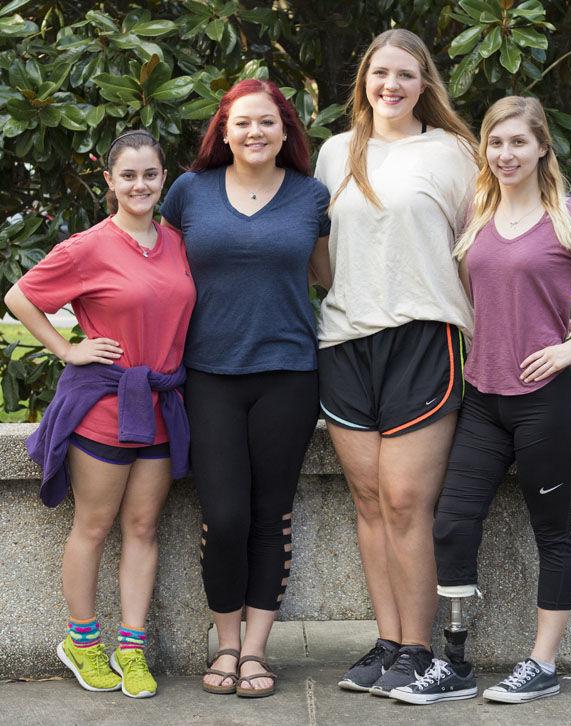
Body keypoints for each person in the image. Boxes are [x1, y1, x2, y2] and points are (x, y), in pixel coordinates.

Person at [390, 96, 571, 705]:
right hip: (483, 396)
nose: (505, 154)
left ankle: (542, 663)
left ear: (541, 149)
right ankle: (454, 664)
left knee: (552, 533)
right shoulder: (476, 215)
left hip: (547, 399)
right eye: (495, 142)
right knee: (452, 524)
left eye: (517, 143)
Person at [314, 28, 478, 696]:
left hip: (423, 337)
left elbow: (478, 252)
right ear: (364, 81)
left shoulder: (455, 153)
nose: (391, 85)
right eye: (380, 73)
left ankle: (419, 646)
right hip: (346, 342)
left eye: (405, 75)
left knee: (408, 499)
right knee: (371, 500)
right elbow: (318, 253)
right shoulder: (333, 153)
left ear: (424, 84)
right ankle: (387, 642)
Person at [4, 130, 196, 699]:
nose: (141, 185)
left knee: (142, 527)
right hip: (105, 407)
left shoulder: (177, 242)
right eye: (128, 175)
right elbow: (20, 296)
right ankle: (82, 643)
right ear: (109, 181)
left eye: (151, 175)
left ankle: (131, 649)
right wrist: (67, 349)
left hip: (160, 405)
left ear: (165, 179)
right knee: (93, 526)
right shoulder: (87, 246)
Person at [160, 78, 330, 698]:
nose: (254, 132)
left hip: (288, 374)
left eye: (267, 122)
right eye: (242, 123)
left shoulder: (312, 197)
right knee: (225, 515)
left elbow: (327, 277)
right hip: (208, 375)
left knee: (270, 516)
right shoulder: (189, 192)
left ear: (286, 131)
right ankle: (224, 643)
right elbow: (159, 268)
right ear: (223, 132)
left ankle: (255, 651)